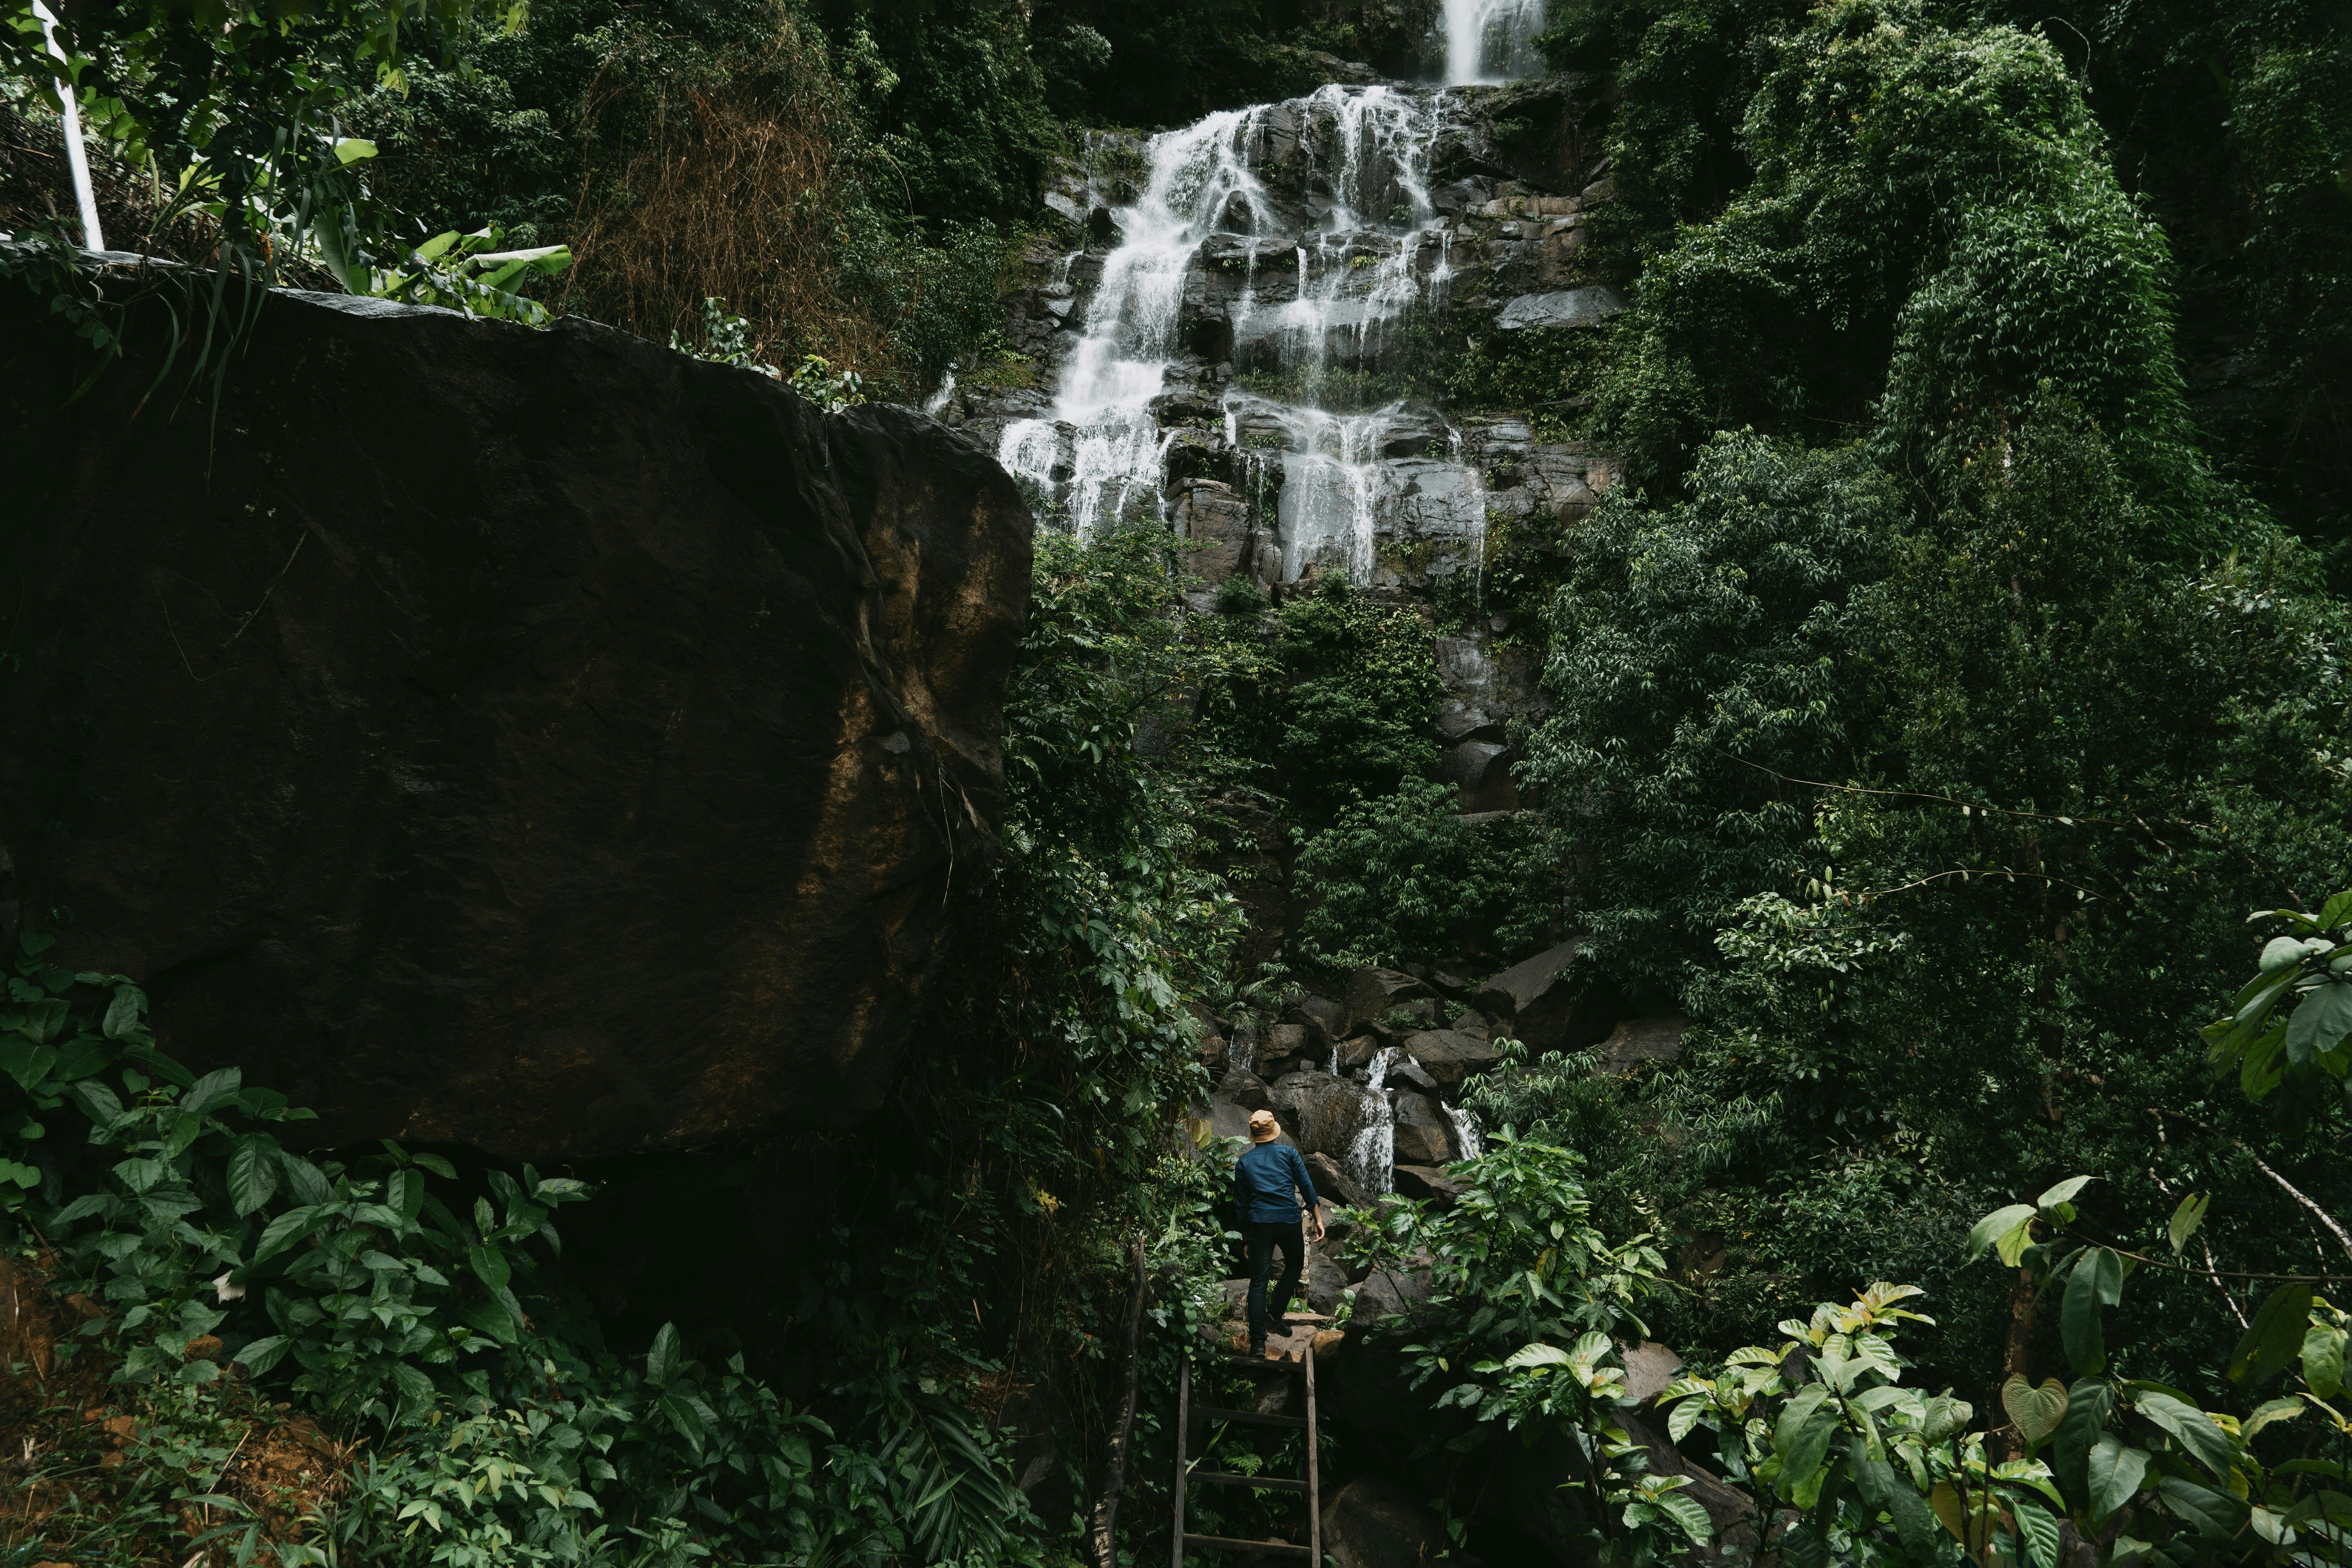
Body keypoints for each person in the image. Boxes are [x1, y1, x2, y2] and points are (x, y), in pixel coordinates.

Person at [1232, 1109, 1325, 1358]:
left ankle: (1258, 1346)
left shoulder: (1244, 1164)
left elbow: (1241, 1206)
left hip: (1259, 1224)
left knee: (1259, 1281)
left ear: (1253, 1135)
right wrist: (1318, 1219)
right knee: (1295, 1265)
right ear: (1274, 1133)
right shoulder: (1289, 1153)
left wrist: (1246, 1238)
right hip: (1288, 1220)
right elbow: (1306, 1187)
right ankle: (1274, 1315)